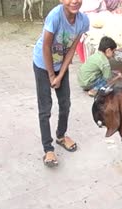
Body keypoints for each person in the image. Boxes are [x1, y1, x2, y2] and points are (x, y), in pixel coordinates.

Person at [33, 0, 90, 167]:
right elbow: (46, 46)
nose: (74, 1)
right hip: (43, 64)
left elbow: (72, 49)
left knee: (65, 103)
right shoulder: (55, 16)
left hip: (61, 65)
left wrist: (61, 75)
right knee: (45, 108)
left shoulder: (83, 21)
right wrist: (52, 75)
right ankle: (48, 148)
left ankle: (60, 135)